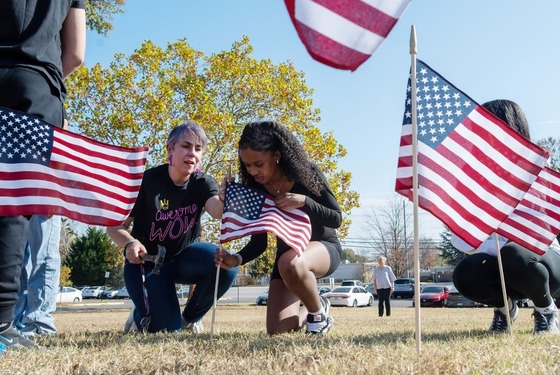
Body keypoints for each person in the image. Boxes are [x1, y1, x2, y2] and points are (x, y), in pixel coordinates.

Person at [0, 1, 86, 352]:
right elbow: (76, 53)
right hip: (35, 84)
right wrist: (46, 82)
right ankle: (3, 323)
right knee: (14, 204)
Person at [107, 121, 238, 334]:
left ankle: (190, 318)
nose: (192, 154)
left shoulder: (203, 182)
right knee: (166, 331)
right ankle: (142, 313)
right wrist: (130, 242)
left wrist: (224, 197)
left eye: (198, 149)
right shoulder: (147, 181)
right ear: (170, 149)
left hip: (183, 259)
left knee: (227, 264)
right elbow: (114, 226)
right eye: (186, 146)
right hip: (147, 265)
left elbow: (216, 211)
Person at [215, 121, 342, 335]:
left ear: (276, 155)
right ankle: (315, 304)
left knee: (291, 263)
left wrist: (304, 201)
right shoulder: (253, 189)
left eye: (258, 163)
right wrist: (236, 259)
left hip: (323, 248)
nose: (253, 171)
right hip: (287, 260)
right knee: (278, 330)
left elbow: (336, 218)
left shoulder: (307, 173)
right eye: (247, 165)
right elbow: (259, 243)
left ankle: (319, 317)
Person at [452, 99, 560, 335]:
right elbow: (462, 242)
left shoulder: (541, 171)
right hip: (501, 268)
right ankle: (504, 309)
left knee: (513, 254)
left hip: (543, 264)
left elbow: (540, 232)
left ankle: (546, 311)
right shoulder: (473, 180)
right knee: (466, 272)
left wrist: (495, 244)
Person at [14, 215, 62, 336]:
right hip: (17, 197)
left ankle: (39, 323)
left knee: (44, 254)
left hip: (43, 197)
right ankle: (16, 322)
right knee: (16, 259)